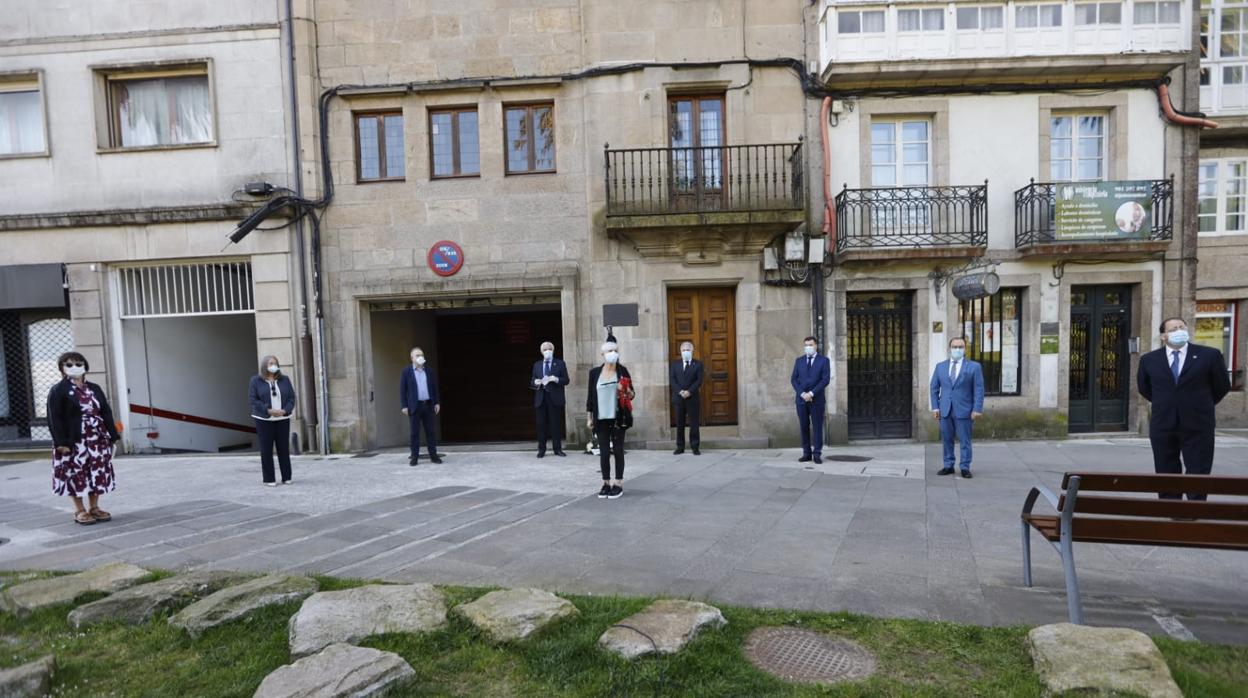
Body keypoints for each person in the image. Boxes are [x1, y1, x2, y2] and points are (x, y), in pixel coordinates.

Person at [1137, 317, 1231, 500]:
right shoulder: (1149, 360)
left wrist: (1200, 404)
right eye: (1173, 329)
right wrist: (1167, 403)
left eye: (1181, 327)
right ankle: (1171, 507)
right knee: (1166, 467)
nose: (1178, 331)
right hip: (1164, 423)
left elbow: (1221, 386)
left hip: (1198, 422)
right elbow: (1145, 388)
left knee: (1198, 468)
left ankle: (1194, 507)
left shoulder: (1209, 355)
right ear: (1163, 336)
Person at [48, 351, 120, 525]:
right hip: (74, 440)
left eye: (79, 363)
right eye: (69, 364)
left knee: (96, 472)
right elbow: (54, 417)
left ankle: (94, 507)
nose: (75, 367)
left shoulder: (94, 388)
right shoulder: (58, 390)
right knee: (75, 473)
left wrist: (112, 434)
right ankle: (79, 510)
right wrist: (61, 443)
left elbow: (105, 411)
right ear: (62, 369)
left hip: (97, 438)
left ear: (85, 367)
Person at [929, 337, 984, 478]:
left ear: (965, 349)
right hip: (945, 410)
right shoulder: (940, 366)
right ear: (950, 348)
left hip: (965, 410)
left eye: (960, 347)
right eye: (954, 346)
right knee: (947, 439)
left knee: (965, 440)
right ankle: (948, 465)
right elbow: (934, 388)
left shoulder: (974, 367)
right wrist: (935, 407)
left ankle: (965, 467)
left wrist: (977, 409)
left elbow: (979, 389)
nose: (957, 349)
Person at [587, 337, 633, 499]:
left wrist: (624, 390)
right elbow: (590, 398)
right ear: (602, 353)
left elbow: (632, 395)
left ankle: (618, 482)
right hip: (601, 418)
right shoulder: (594, 373)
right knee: (604, 452)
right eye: (609, 351)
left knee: (618, 450)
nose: (613, 354)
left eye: (615, 351)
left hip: (618, 417)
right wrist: (589, 417)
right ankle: (606, 482)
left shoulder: (622, 371)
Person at [249, 355, 297, 486]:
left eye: (275, 363)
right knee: (266, 449)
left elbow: (292, 398)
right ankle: (269, 479)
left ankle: (287, 477)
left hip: (282, 418)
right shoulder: (255, 381)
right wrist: (268, 410)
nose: (273, 365)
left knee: (283, 449)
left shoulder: (285, 380)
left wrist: (284, 410)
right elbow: (253, 400)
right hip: (264, 419)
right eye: (271, 363)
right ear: (265, 366)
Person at [790, 336, 830, 464]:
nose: (808, 347)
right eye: (806, 345)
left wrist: (812, 393)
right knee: (804, 426)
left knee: (817, 427)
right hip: (801, 400)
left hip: (816, 399)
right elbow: (794, 379)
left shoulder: (824, 361)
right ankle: (806, 453)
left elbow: (825, 380)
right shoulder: (799, 361)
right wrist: (802, 393)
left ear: (816, 345)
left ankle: (817, 454)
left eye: (810, 345)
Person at [400, 347, 442, 466]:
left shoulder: (429, 371)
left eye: (421, 355)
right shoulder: (406, 372)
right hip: (415, 406)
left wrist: (436, 402)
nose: (420, 357)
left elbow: (434, 388)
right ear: (412, 358)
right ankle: (414, 457)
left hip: (428, 405)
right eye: (417, 355)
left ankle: (433, 456)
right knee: (414, 433)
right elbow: (403, 390)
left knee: (431, 432)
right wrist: (404, 406)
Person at [531, 341, 570, 458]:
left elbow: (566, 380)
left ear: (553, 350)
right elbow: (532, 380)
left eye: (549, 349)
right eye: (545, 349)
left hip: (555, 398)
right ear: (541, 352)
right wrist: (535, 382)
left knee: (555, 424)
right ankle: (541, 449)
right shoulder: (537, 365)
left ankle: (557, 449)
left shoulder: (560, 364)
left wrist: (556, 379)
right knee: (541, 425)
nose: (547, 351)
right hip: (541, 398)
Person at [670, 341, 703, 455]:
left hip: (692, 398)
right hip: (678, 398)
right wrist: (680, 391)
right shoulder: (675, 364)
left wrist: (689, 391)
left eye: (688, 350)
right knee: (680, 423)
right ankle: (680, 446)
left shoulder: (698, 364)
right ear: (680, 351)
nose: (686, 352)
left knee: (694, 424)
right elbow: (672, 380)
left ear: (692, 351)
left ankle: (695, 446)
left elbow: (699, 381)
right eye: (683, 350)